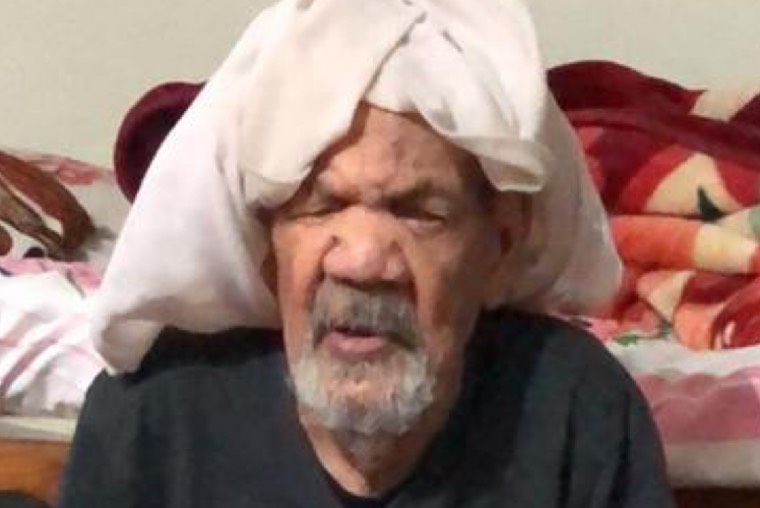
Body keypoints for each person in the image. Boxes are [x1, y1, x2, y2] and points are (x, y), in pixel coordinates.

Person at [59, 0, 675, 506]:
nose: (361, 261)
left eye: (418, 212)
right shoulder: (152, 418)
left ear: (501, 247)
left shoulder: (576, 410)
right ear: (267, 245)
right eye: (321, 206)